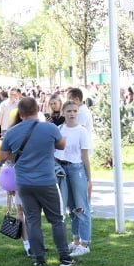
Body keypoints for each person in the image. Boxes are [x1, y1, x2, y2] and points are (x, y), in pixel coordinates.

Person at [0, 96, 76, 266]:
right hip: (46, 181)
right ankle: (64, 257)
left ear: (20, 112)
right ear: (37, 109)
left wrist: (18, 154)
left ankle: (39, 259)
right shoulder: (49, 128)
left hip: (24, 183)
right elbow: (62, 145)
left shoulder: (12, 132)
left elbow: (2, 157)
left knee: (32, 220)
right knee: (57, 219)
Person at [55, 101, 93, 257]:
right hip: (61, 170)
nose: (72, 114)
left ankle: (85, 242)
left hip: (76, 169)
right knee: (70, 207)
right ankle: (76, 240)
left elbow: (84, 155)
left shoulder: (81, 131)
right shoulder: (59, 129)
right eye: (69, 111)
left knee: (81, 207)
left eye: (74, 111)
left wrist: (89, 178)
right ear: (63, 112)